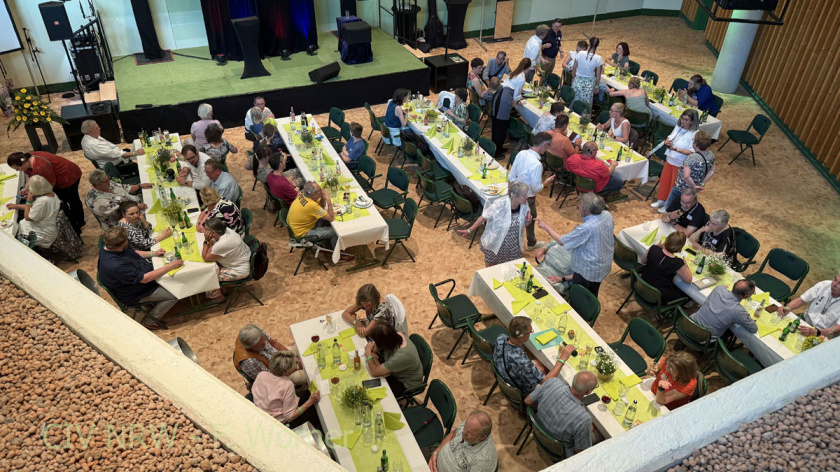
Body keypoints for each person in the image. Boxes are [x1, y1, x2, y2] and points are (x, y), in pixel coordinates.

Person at [97, 226, 181, 330]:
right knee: (174, 293)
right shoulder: (116, 265)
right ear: (121, 244)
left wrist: (153, 253)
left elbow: (132, 253)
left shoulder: (108, 247)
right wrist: (170, 266)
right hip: (135, 293)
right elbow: (145, 279)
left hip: (139, 277)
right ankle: (150, 321)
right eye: (126, 240)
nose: (127, 241)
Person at [537, 193, 614, 296]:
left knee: (580, 295)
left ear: (587, 211)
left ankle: (579, 305)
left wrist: (545, 226)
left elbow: (561, 241)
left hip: (587, 271)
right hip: (602, 265)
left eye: (580, 205)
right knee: (593, 292)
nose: (578, 206)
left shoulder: (587, 228)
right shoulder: (607, 215)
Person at [493, 315, 577, 396]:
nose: (530, 334)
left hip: (506, 372)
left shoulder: (501, 338)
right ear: (522, 337)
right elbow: (546, 381)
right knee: (558, 382)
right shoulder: (523, 362)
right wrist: (562, 359)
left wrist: (532, 368)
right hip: (521, 388)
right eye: (530, 332)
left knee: (541, 366)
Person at [524, 371, 597, 458]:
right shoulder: (584, 419)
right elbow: (580, 452)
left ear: (573, 379)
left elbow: (527, 401)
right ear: (588, 392)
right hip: (558, 450)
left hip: (537, 430)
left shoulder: (552, 382)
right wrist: (586, 428)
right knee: (597, 435)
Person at [456, 182, 531, 267]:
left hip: (513, 245)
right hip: (496, 242)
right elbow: (483, 217)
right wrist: (469, 230)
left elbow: (524, 225)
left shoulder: (524, 205)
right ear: (515, 196)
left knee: (510, 267)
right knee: (491, 266)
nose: (527, 197)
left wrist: (528, 221)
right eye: (524, 195)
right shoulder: (500, 204)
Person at [6, 151, 84, 233]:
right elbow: (28, 174)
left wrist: (33, 194)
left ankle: (79, 221)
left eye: (17, 169)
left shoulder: (41, 167)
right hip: (55, 178)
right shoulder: (26, 159)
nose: (17, 171)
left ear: (23, 164)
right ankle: (71, 220)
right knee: (63, 201)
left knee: (72, 200)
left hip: (68, 176)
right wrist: (26, 187)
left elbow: (50, 185)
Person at [508, 132, 556, 251]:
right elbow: (536, 188)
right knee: (531, 218)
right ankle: (530, 243)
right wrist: (547, 181)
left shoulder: (521, 153)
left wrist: (509, 193)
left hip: (515, 193)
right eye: (548, 146)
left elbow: (511, 176)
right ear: (544, 145)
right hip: (528, 198)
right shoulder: (537, 165)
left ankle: (527, 242)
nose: (548, 148)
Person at [251, 351, 321, 430]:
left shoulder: (262, 374)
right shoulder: (287, 385)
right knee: (318, 411)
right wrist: (310, 401)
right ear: (286, 371)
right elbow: (289, 417)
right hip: (280, 424)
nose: (296, 365)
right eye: (295, 364)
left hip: (263, 413)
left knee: (307, 393)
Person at [652, 109, 700, 209]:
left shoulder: (695, 134)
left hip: (680, 163)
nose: (683, 121)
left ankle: (668, 205)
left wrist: (677, 149)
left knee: (674, 185)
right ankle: (661, 200)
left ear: (692, 121)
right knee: (665, 181)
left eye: (686, 120)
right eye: (682, 118)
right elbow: (670, 136)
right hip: (670, 159)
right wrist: (667, 141)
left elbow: (692, 151)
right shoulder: (678, 127)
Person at [364, 321, 424, 397]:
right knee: (370, 369)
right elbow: (375, 349)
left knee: (372, 390)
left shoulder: (399, 356)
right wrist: (373, 354)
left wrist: (368, 354)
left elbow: (374, 372)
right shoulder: (395, 335)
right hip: (397, 370)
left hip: (405, 383)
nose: (374, 343)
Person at [235, 324, 306, 387]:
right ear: (251, 347)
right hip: (279, 375)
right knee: (307, 374)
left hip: (279, 357)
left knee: (302, 347)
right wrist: (296, 367)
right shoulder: (250, 362)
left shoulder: (257, 330)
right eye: (259, 344)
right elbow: (272, 379)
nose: (264, 343)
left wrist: (293, 357)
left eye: (263, 339)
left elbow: (274, 343)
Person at [201, 218, 251, 304]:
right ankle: (222, 289)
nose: (204, 232)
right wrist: (211, 244)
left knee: (208, 274)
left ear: (213, 233)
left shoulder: (223, 243)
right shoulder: (226, 230)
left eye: (205, 230)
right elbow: (213, 245)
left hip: (240, 270)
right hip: (242, 261)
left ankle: (218, 297)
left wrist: (206, 241)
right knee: (212, 266)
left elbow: (205, 257)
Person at [429, 411, 498, 472]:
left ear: (483, 437)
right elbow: (454, 433)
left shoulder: (484, 461)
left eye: (470, 433)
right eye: (465, 427)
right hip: (435, 459)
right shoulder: (471, 425)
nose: (463, 433)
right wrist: (436, 452)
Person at [690, 280, 758, 340]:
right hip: (702, 338)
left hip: (689, 324)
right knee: (732, 330)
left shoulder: (719, 288)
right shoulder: (739, 311)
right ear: (746, 296)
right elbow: (753, 329)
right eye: (752, 293)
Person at [664, 131, 715, 210]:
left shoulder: (692, 157)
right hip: (693, 192)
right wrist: (701, 184)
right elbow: (711, 171)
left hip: (681, 189)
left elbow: (686, 176)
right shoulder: (711, 155)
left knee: (669, 208)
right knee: (686, 208)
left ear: (695, 144)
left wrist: (694, 186)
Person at [6, 175, 60, 248]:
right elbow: (34, 208)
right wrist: (16, 206)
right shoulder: (51, 193)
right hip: (49, 225)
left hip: (44, 231)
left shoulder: (43, 201)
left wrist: (28, 201)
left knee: (16, 227)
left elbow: (28, 217)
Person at [85, 170, 150, 230]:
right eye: (106, 181)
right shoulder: (97, 202)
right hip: (124, 222)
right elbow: (122, 211)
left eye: (108, 178)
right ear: (98, 184)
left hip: (135, 204)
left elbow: (125, 188)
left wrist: (140, 186)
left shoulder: (108, 183)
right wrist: (138, 206)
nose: (109, 181)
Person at [640, 231, 693, 303]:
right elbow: (689, 280)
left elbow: (642, 261)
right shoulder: (677, 262)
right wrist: (686, 265)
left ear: (667, 240)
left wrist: (658, 247)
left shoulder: (653, 248)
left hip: (641, 285)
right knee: (687, 295)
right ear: (680, 247)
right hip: (657, 296)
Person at [490, 60, 526, 158]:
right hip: (504, 101)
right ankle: (497, 151)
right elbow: (516, 96)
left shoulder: (513, 73)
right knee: (501, 127)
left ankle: (498, 147)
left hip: (500, 95)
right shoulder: (521, 78)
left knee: (497, 124)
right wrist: (518, 100)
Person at [288, 181, 337, 249]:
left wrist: (322, 197)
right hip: (302, 235)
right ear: (313, 194)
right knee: (335, 232)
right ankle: (334, 252)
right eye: (319, 190)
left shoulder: (303, 195)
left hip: (297, 229)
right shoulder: (311, 205)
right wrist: (328, 200)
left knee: (325, 220)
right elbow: (331, 218)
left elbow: (322, 206)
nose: (322, 191)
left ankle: (327, 242)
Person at [571, 36, 603, 108]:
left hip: (578, 81)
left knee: (574, 103)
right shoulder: (598, 58)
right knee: (585, 106)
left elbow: (574, 68)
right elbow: (598, 75)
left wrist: (573, 78)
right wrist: (597, 86)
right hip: (589, 85)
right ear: (598, 45)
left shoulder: (580, 53)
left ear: (589, 43)